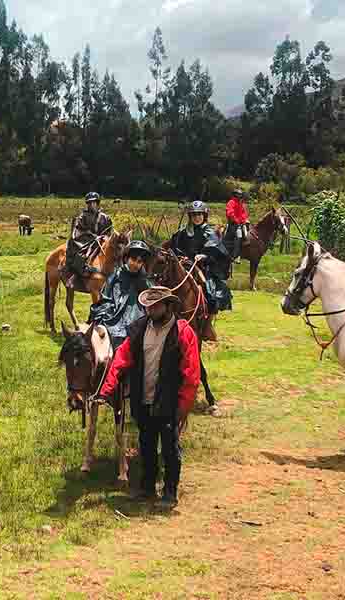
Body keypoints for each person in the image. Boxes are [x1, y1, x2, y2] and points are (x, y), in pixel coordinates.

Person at [95, 286, 200, 506]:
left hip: (169, 400)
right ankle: (148, 489)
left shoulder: (183, 332)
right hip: (143, 398)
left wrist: (184, 406)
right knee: (147, 445)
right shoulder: (139, 330)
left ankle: (170, 493)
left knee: (170, 448)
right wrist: (106, 390)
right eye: (148, 307)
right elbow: (121, 360)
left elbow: (191, 373)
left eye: (155, 306)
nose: (151, 310)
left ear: (168, 306)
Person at [88, 240, 156, 349]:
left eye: (139, 262)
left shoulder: (144, 281)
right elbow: (106, 297)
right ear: (126, 259)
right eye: (133, 259)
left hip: (136, 321)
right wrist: (107, 313)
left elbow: (151, 298)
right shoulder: (116, 276)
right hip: (115, 317)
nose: (135, 264)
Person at [169, 200, 232, 312]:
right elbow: (175, 248)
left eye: (199, 214)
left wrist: (204, 256)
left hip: (204, 267)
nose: (197, 217)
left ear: (204, 215)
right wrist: (181, 257)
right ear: (190, 216)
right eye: (194, 214)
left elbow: (219, 254)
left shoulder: (209, 232)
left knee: (209, 289)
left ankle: (209, 310)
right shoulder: (183, 232)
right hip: (184, 265)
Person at [66, 192, 113, 285]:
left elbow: (109, 231)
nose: (92, 205)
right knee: (82, 254)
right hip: (86, 241)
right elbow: (78, 231)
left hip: (103, 241)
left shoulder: (105, 217)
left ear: (97, 203)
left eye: (94, 202)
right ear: (87, 204)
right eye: (90, 203)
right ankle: (75, 275)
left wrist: (104, 237)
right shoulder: (82, 217)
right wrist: (91, 235)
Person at [225, 189, 250, 261]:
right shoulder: (231, 202)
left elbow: (243, 213)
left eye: (240, 195)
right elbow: (230, 213)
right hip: (233, 224)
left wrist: (245, 219)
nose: (240, 196)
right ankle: (235, 255)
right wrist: (237, 221)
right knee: (239, 235)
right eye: (238, 195)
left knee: (248, 233)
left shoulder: (240, 203)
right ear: (235, 195)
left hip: (241, 223)